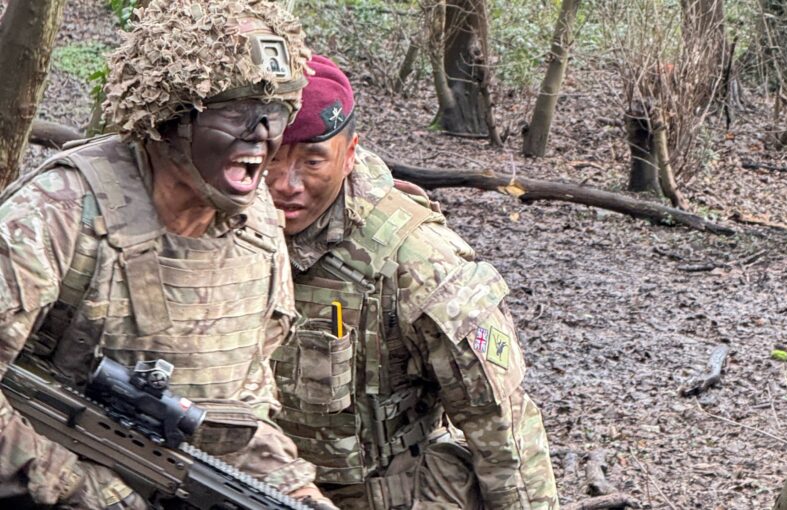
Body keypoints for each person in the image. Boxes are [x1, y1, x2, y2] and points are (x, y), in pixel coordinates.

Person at [0, 1, 335, 508]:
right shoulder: (58, 212)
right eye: (236, 111)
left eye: (276, 112)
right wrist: (87, 492)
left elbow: (237, 415)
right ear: (167, 119)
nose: (264, 135)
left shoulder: (258, 225)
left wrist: (292, 489)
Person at [266, 55, 559, 509]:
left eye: (311, 161)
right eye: (273, 157)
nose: (286, 184)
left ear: (349, 155)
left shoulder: (421, 262)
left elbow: (502, 425)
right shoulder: (228, 231)